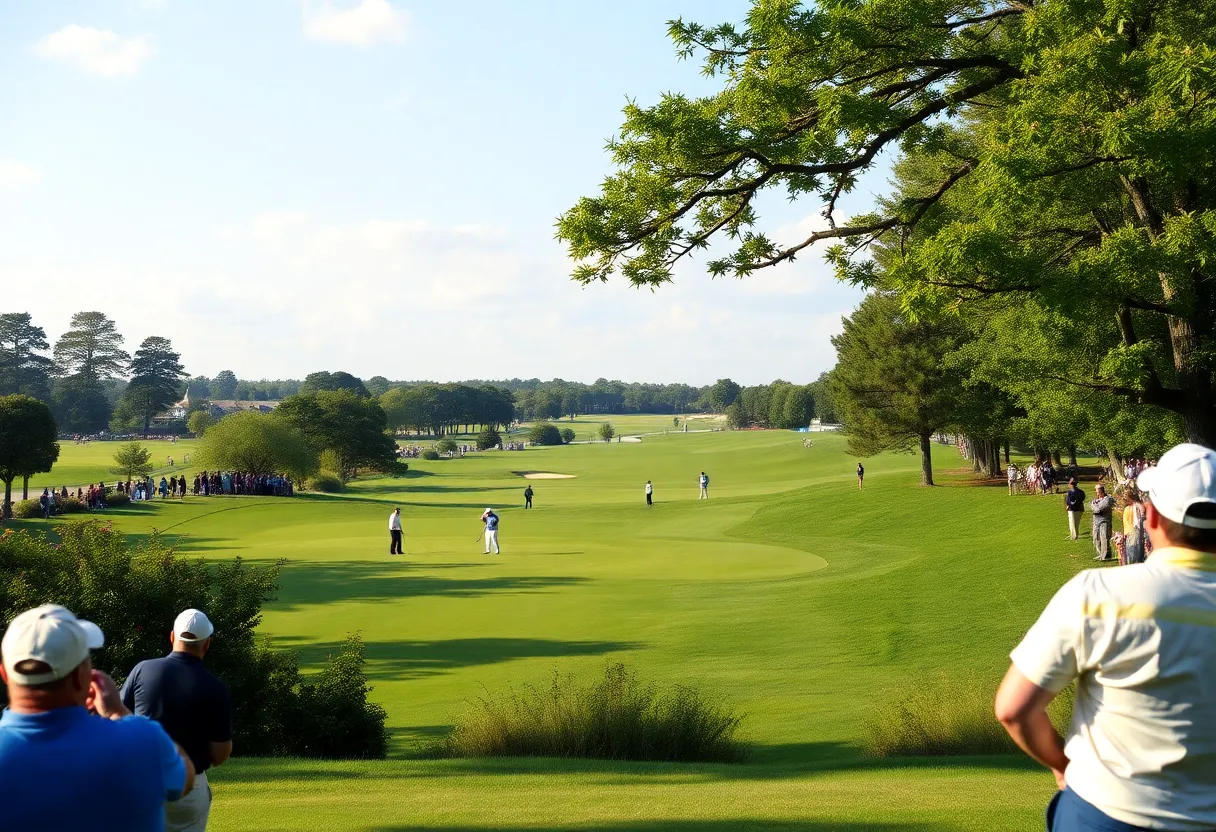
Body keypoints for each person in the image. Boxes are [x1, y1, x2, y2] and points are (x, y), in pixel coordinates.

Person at [994, 442, 1216, 832]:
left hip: (1105, 812)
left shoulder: (1098, 594)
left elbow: (1014, 709)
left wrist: (1063, 767)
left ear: (1151, 519)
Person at [0, 604, 194, 831]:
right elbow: (185, 777)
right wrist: (118, 713)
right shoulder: (143, 741)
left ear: (4, 673)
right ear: (82, 676)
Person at [122, 609, 231, 832]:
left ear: (172, 636)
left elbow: (116, 720)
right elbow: (220, 754)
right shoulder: (216, 688)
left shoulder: (143, 670)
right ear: (206, 644)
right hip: (189, 786)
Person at [1121, 489, 1147, 566]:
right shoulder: (1128, 507)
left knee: (1134, 548)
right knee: (1130, 548)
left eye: (1126, 496)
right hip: (1128, 531)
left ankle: (1135, 563)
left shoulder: (1137, 506)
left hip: (1135, 530)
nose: (1124, 498)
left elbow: (1142, 518)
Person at [1090, 484, 1115, 561]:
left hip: (1104, 521)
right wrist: (1094, 505)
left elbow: (1099, 509)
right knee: (1097, 538)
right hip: (1096, 522)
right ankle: (1100, 554)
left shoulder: (1107, 499)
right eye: (1096, 490)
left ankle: (1105, 556)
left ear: (1102, 490)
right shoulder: (1097, 500)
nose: (1096, 492)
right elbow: (1093, 507)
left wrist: (1095, 506)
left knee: (1104, 538)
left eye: (1097, 490)